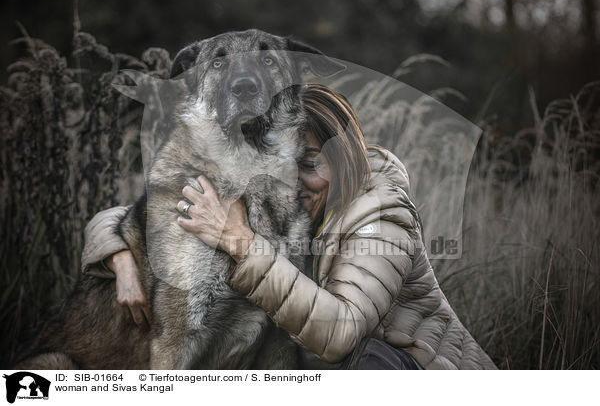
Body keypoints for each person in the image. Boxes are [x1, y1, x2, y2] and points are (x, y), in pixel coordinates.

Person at [81, 84, 497, 370]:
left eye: (309, 162)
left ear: (345, 156)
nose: (292, 180)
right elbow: (140, 213)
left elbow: (340, 332)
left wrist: (241, 243)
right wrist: (120, 258)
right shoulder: (283, 205)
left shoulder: (382, 216)